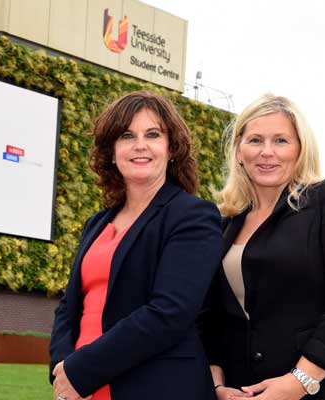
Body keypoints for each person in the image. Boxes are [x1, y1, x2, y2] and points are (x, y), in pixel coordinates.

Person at [49, 90, 222, 400]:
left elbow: (169, 312)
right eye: (127, 135)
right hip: (83, 390)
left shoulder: (193, 215)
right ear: (112, 151)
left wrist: (82, 370)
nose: (140, 145)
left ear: (171, 149)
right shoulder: (96, 224)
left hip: (157, 387)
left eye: (153, 134)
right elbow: (68, 306)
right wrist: (62, 368)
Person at [201, 94, 325, 400]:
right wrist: (217, 385)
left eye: (281, 141)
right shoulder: (225, 222)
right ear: (239, 151)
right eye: (255, 140)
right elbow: (213, 317)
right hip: (244, 390)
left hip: (323, 389)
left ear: (300, 149)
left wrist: (299, 382)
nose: (267, 152)